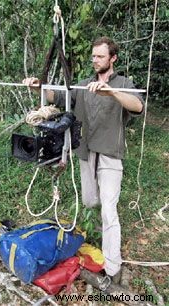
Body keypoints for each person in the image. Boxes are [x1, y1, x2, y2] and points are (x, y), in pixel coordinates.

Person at [22, 36, 143, 281]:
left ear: (112, 58)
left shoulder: (123, 82)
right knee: (90, 202)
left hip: (110, 155)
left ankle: (112, 267)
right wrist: (38, 88)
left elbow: (137, 106)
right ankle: (100, 235)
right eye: (93, 56)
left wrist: (112, 92)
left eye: (100, 56)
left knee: (109, 209)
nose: (95, 60)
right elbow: (59, 97)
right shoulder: (84, 84)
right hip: (86, 153)